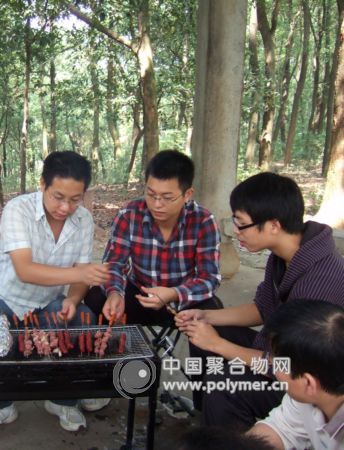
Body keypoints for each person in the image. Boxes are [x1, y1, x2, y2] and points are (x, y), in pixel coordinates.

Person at [0, 151, 110, 440]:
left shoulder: (84, 220)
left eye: (75, 199)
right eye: (58, 197)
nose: (65, 207)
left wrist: (72, 299)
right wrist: (79, 274)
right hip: (7, 301)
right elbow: (25, 270)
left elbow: (81, 279)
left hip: (49, 304)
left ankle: (62, 400)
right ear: (42, 184)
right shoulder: (18, 210)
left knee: (83, 320)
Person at [176, 172, 344, 430]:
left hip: (306, 383)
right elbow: (262, 309)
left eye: (241, 224)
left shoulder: (317, 284)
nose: (236, 231)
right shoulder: (283, 255)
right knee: (203, 327)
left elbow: (285, 366)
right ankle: (208, 418)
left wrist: (218, 344)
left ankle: (229, 438)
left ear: (273, 226)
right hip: (280, 353)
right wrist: (205, 316)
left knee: (224, 383)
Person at [84, 149, 221, 409]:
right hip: (139, 296)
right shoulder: (130, 214)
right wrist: (115, 293)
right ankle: (105, 382)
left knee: (213, 314)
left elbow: (209, 278)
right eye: (151, 194)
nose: (157, 204)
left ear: (187, 194)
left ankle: (207, 402)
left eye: (167, 197)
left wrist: (173, 293)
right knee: (94, 298)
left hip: (181, 302)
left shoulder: (203, 221)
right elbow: (114, 264)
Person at [248, 300, 344, 450]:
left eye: (278, 364)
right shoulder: (309, 395)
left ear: (308, 383)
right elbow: (281, 429)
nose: (273, 367)